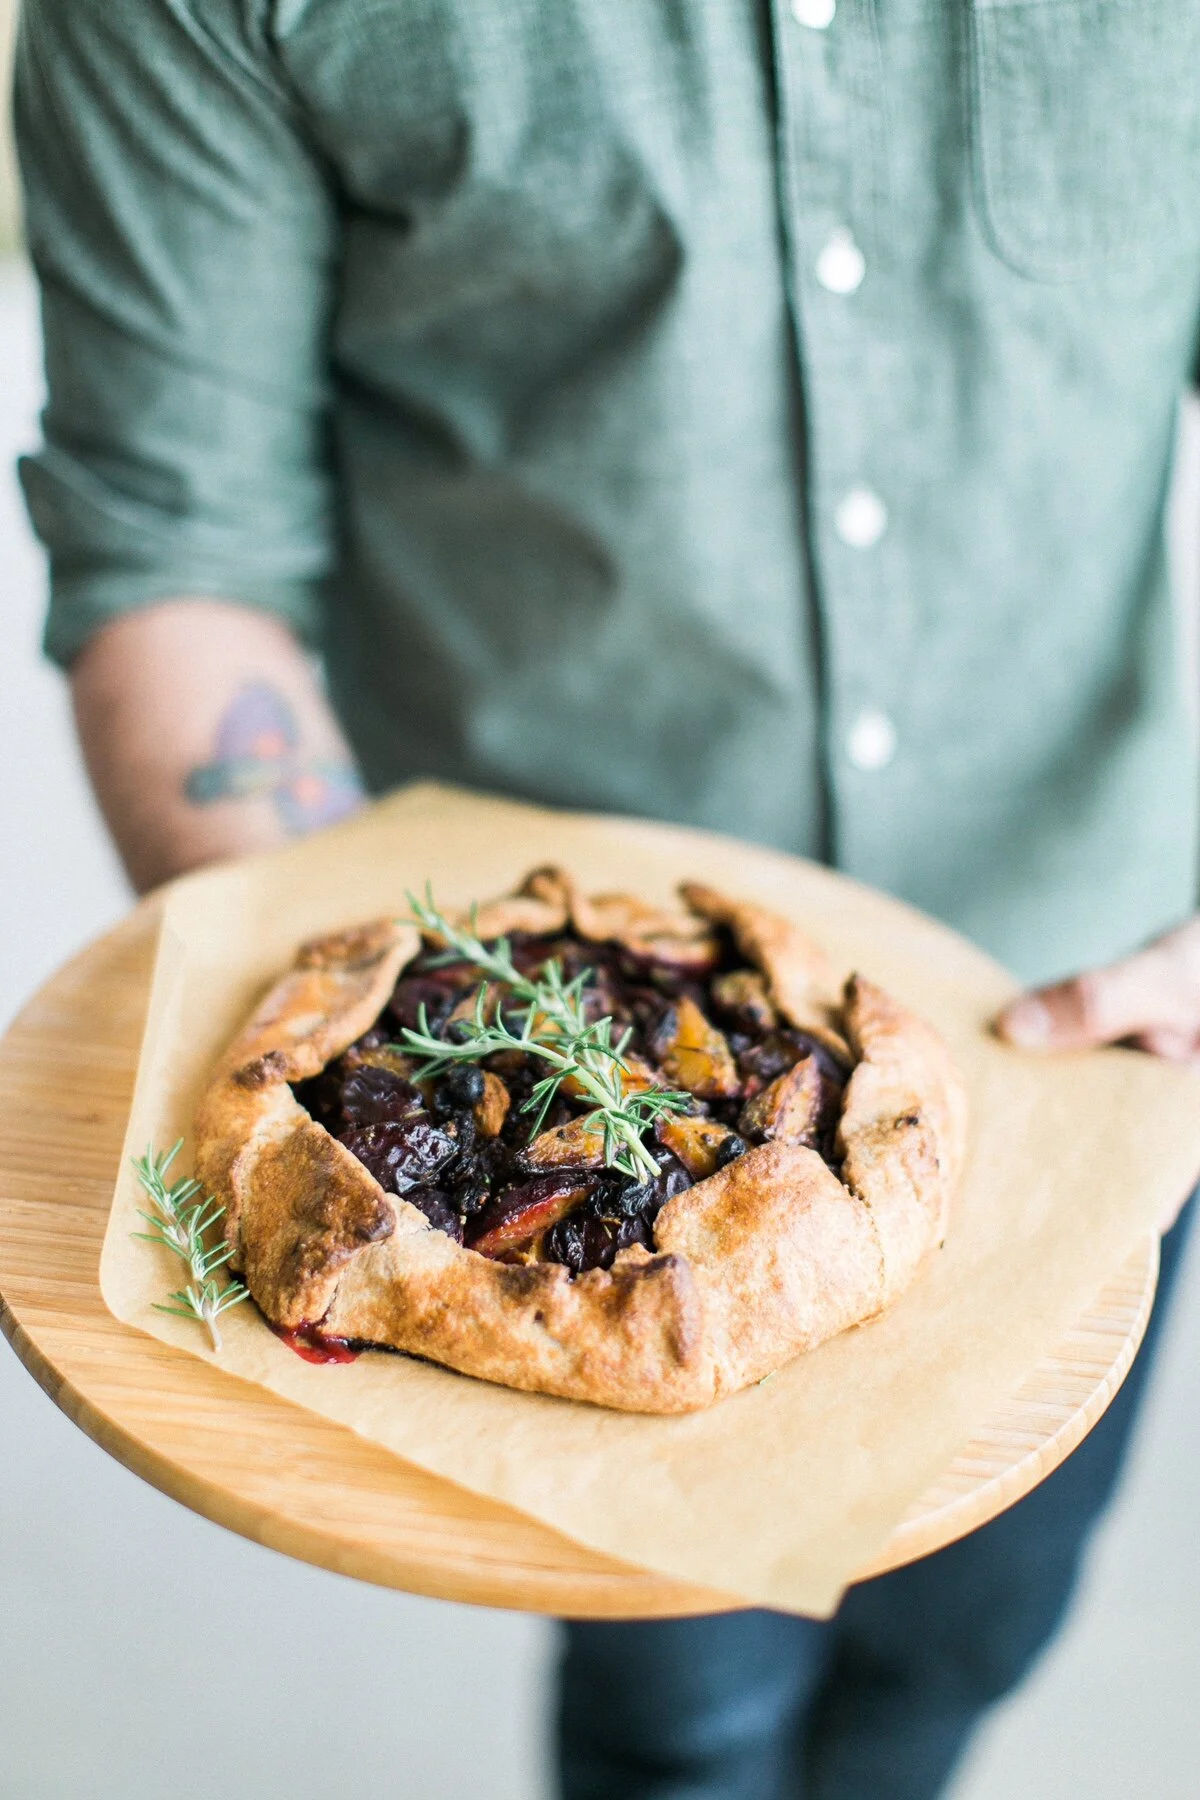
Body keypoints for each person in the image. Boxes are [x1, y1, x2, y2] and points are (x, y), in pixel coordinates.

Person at [13, 3, 1200, 1795]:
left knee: (973, 1627)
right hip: (496, 948)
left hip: (1102, 1006)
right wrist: (330, 1074)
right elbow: (180, 544)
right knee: (681, 1718)